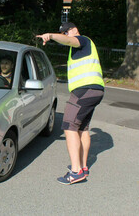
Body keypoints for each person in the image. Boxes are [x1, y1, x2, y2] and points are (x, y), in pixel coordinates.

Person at [36, 22, 105, 185]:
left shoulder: (82, 40)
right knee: (82, 128)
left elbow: (70, 41)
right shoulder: (81, 48)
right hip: (95, 90)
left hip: (84, 91)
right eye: (64, 33)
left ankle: (76, 172)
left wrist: (51, 36)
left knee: (69, 126)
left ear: (75, 29)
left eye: (67, 31)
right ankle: (83, 166)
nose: (67, 34)